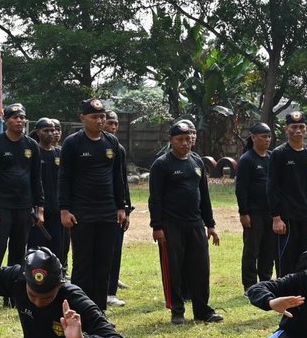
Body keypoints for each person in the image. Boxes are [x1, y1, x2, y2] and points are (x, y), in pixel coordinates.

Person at [149, 119, 223, 324]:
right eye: (180, 139)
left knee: (200, 268)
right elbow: (155, 198)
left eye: (188, 139)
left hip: (195, 224)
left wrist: (211, 225)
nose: (185, 143)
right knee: (173, 269)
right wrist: (157, 226)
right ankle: (177, 310)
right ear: (171, 140)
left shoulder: (197, 162)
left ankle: (203, 310)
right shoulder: (162, 164)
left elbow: (204, 196)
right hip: (171, 226)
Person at [59, 97, 130, 312]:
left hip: (107, 212)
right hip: (82, 213)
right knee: (83, 266)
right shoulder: (73, 143)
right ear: (83, 118)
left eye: (102, 117)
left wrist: (121, 207)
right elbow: (64, 178)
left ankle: (99, 313)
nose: (99, 121)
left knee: (103, 265)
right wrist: (64, 209)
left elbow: (118, 178)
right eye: (94, 117)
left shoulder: (112, 143)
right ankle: (80, 312)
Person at [0, 103, 44, 312]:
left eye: (22, 117)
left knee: (18, 255)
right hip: (1, 206)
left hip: (24, 208)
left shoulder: (32, 146)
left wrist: (39, 207)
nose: (19, 121)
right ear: (5, 120)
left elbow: (36, 178)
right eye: (15, 117)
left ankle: (13, 296)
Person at [268, 109, 307, 277]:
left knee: (305, 258)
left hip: (306, 216)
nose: (297, 131)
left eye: (301, 127)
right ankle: (284, 296)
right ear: (286, 129)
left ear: (306, 129)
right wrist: (276, 218)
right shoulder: (279, 154)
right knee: (286, 259)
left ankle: (301, 297)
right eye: (293, 127)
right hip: (287, 218)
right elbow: (272, 187)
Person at [236, 122, 276, 290]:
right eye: (263, 136)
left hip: (271, 212)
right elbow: (241, 188)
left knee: (269, 249)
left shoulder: (272, 158)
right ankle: (250, 284)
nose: (267, 140)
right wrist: (244, 213)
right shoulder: (247, 159)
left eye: (269, 136)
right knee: (252, 250)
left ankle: (265, 281)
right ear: (253, 138)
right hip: (254, 212)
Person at [103, 108, 133, 305]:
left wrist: (125, 207)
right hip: (95, 207)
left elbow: (122, 181)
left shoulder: (118, 149)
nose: (112, 127)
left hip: (116, 207)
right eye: (109, 123)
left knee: (115, 250)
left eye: (115, 124)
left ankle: (110, 289)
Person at [31, 117, 66, 261]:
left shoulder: (59, 153)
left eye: (53, 130)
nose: (51, 133)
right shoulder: (33, 152)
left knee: (58, 246)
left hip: (57, 209)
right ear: (38, 132)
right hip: (38, 210)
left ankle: (57, 276)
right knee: (36, 248)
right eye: (46, 130)